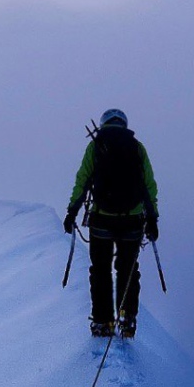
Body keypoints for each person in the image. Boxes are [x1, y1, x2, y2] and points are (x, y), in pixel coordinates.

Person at [64, 109, 159, 338]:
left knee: (100, 271)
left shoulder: (96, 146)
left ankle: (102, 322)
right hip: (132, 221)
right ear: (124, 124)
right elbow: (149, 185)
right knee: (128, 270)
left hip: (101, 219)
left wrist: (72, 211)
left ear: (104, 124)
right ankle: (126, 318)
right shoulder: (137, 147)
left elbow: (82, 180)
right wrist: (152, 218)